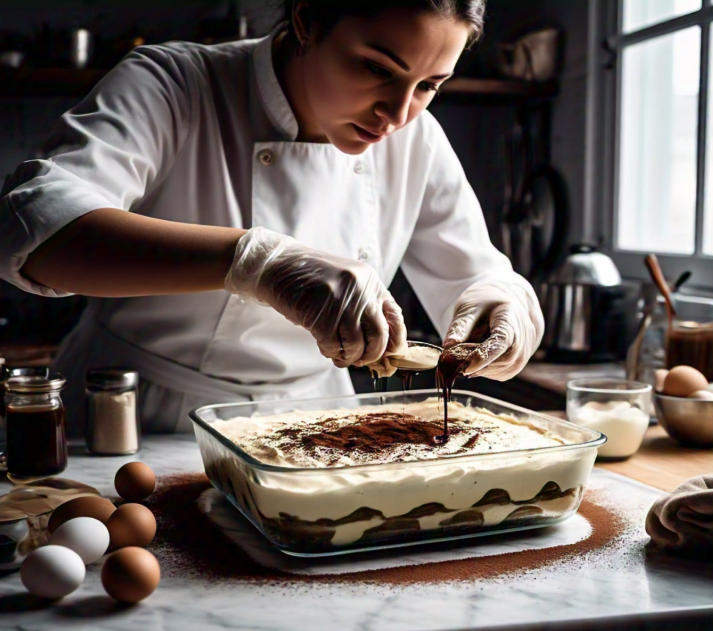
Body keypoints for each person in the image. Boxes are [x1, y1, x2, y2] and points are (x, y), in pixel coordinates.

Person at [0, 0, 544, 436]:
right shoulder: (177, 84)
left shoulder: (415, 139)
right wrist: (255, 263)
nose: (398, 114)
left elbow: (474, 273)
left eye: (429, 85)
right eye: (376, 68)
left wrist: (501, 302)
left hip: (317, 422)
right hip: (132, 420)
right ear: (307, 18)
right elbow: (38, 228)